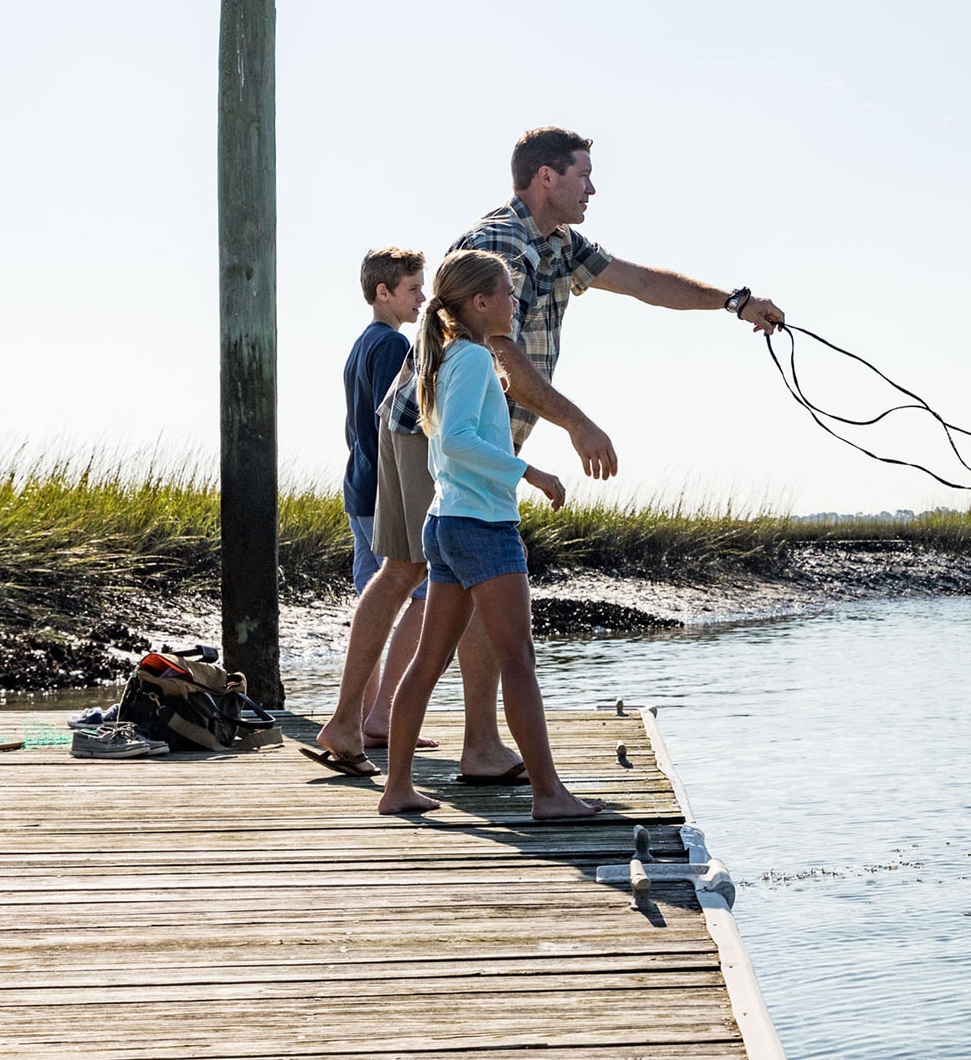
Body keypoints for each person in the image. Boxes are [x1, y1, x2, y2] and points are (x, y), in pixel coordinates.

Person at [375, 126, 785, 784]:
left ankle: (430, 742)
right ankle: (404, 737)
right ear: (545, 178)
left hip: (477, 445)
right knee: (415, 578)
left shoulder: (560, 246)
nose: (592, 188)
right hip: (431, 433)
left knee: (424, 581)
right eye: (582, 175)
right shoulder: (501, 244)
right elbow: (499, 354)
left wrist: (733, 303)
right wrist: (576, 426)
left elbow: (645, 282)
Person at [377, 249, 600, 819]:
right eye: (505, 293)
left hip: (447, 523)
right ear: (480, 303)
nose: (513, 302)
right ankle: (549, 796)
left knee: (429, 658)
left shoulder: (448, 356)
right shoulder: (473, 358)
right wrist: (529, 471)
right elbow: (454, 442)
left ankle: (397, 789)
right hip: (480, 526)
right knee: (518, 659)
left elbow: (444, 450)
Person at [304, 248, 437, 776]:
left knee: (375, 596)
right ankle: (379, 716)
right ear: (383, 292)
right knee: (423, 595)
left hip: (358, 487)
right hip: (385, 491)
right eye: (412, 289)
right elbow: (394, 429)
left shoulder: (361, 344)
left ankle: (360, 717)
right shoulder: (392, 345)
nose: (422, 298)